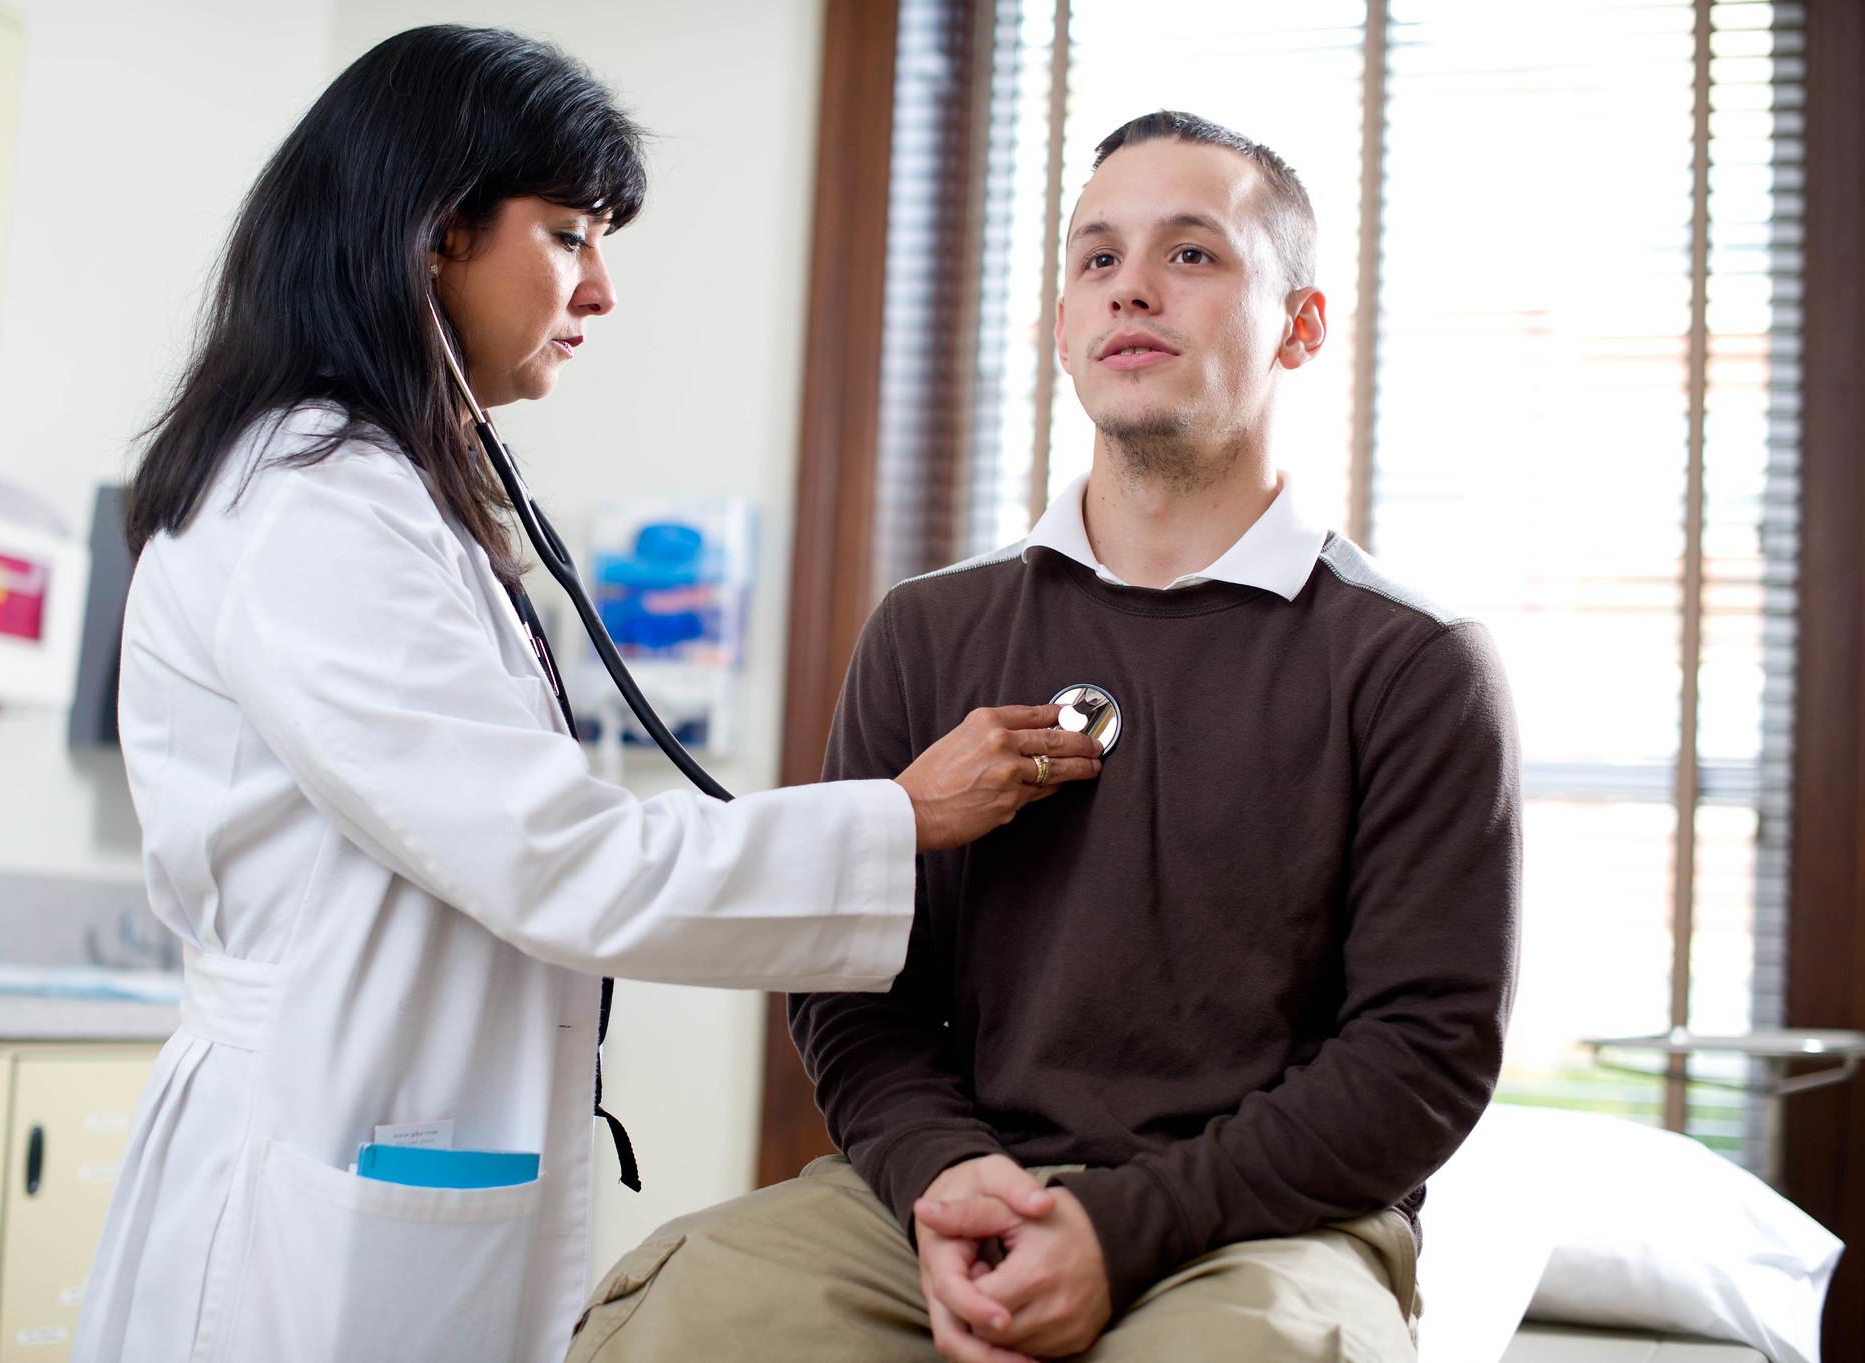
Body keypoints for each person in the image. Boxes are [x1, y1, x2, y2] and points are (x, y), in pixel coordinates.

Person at [71, 26, 1101, 1363]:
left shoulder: (392, 497)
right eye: (568, 233)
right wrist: (901, 819)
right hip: (306, 1165)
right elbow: (559, 854)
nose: (600, 289)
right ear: (432, 233)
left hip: (394, 1117)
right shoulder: (305, 507)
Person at [568, 110, 1521, 1363]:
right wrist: (947, 1177)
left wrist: (1121, 1225)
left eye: (1191, 255)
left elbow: (1421, 1054)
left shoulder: (1411, 661)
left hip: (1265, 1224)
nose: (1131, 284)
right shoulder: (925, 630)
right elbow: (855, 994)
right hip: (945, 1191)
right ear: (1063, 327)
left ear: (1299, 326)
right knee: (685, 1313)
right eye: (1095, 258)